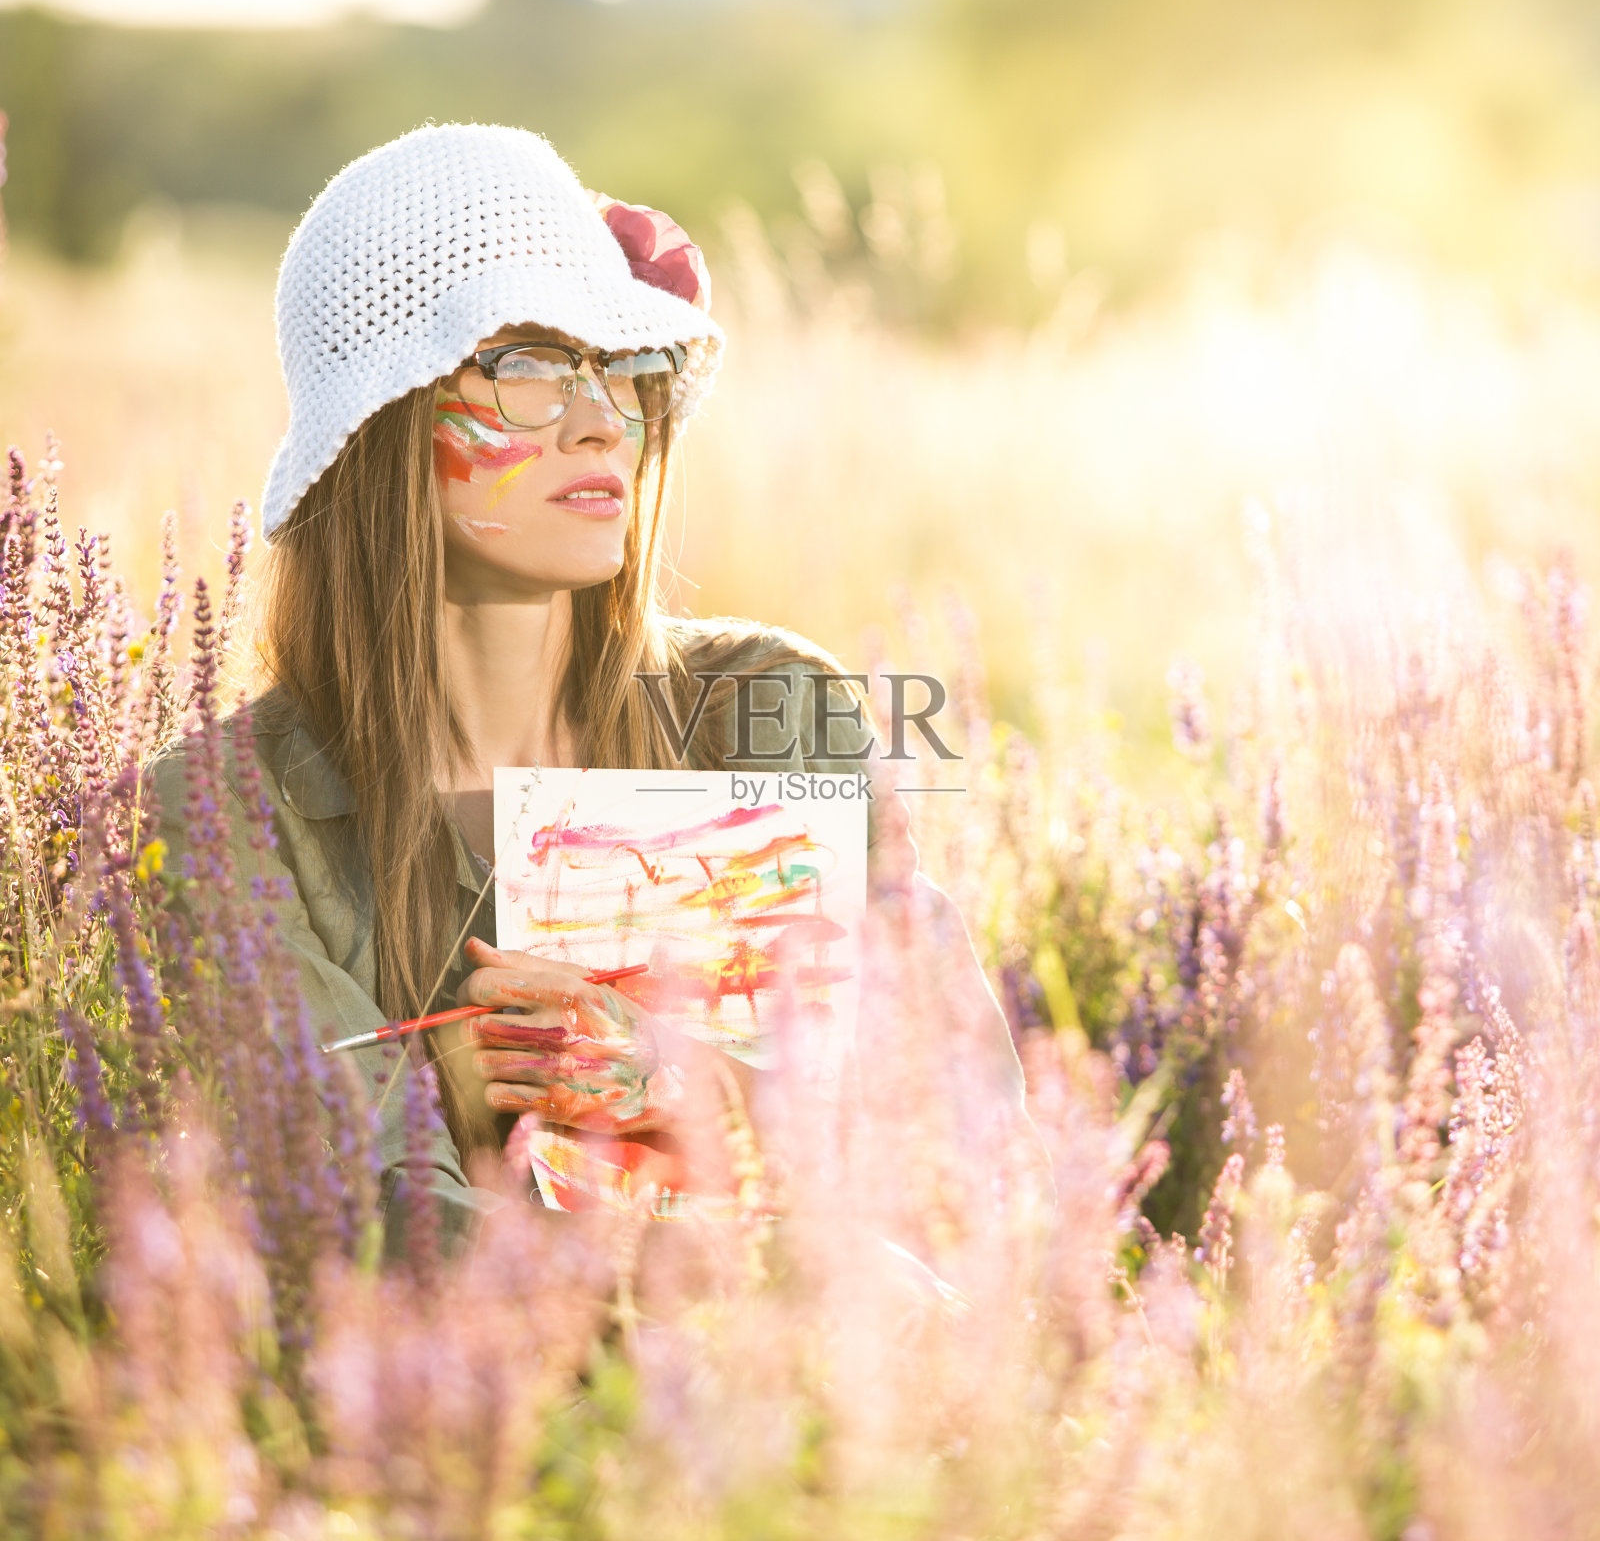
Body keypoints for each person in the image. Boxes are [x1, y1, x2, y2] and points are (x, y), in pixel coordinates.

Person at [148, 123, 1029, 1254]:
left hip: (856, 1400)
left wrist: (689, 1091)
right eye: (525, 364)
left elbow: (974, 1147)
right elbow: (370, 1220)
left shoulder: (770, 713)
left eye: (619, 367)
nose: (601, 418)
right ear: (379, 424)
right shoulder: (221, 811)